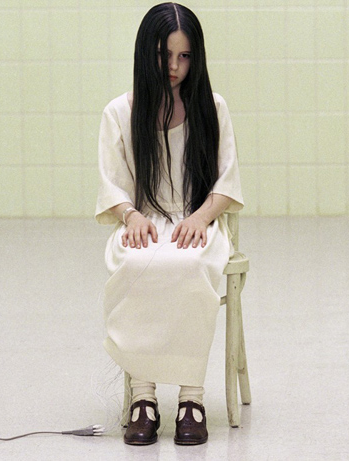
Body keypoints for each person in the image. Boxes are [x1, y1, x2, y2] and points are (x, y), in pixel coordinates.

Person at [95, 2, 243, 446]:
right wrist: (131, 216)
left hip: (198, 219)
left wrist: (201, 217)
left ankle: (191, 398)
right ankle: (143, 397)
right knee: (139, 265)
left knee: (188, 264)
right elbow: (112, 186)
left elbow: (228, 180)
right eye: (165, 56)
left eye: (185, 56)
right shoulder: (118, 112)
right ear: (147, 54)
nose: (175, 66)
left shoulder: (212, 107)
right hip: (143, 220)